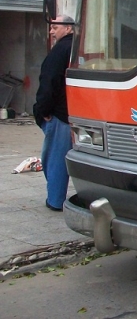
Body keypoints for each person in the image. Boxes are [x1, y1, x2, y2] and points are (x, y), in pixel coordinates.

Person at [33, 15, 75, 211]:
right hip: (74, 112)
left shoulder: (60, 50)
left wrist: (43, 110)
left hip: (59, 115)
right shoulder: (77, 48)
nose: (51, 31)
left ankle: (55, 200)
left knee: (54, 159)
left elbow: (49, 82)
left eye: (55, 27)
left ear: (68, 28)